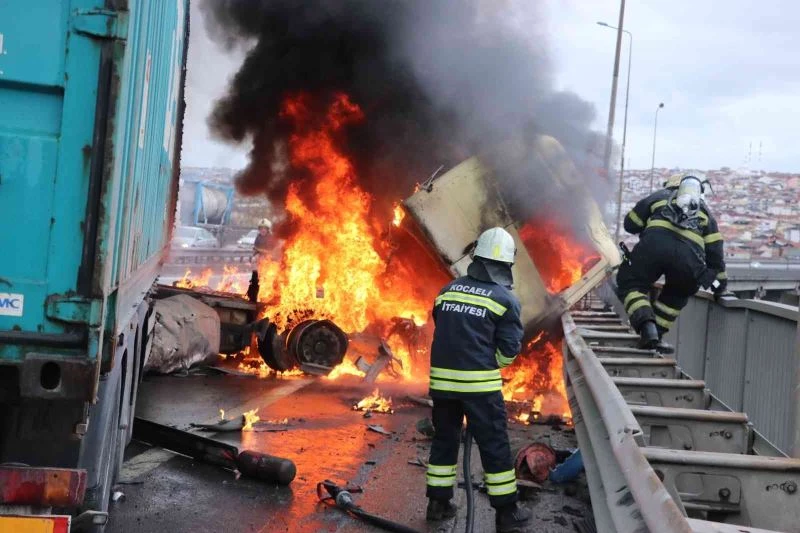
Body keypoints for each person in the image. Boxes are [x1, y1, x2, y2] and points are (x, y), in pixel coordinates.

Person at [425, 227, 532, 533]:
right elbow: (509, 350)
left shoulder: (447, 291)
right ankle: (507, 515)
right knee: (494, 446)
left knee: (444, 442)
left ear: (477, 257)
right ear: (506, 265)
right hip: (480, 390)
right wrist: (490, 365)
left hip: (443, 386)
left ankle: (437, 504)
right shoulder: (505, 300)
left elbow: (443, 328)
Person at [616, 175, 727, 352]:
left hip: (652, 248)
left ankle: (647, 329)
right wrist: (719, 285)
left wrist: (649, 224)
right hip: (690, 262)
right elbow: (715, 252)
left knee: (631, 284)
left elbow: (631, 224)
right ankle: (656, 337)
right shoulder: (705, 213)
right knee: (677, 294)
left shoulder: (658, 197)